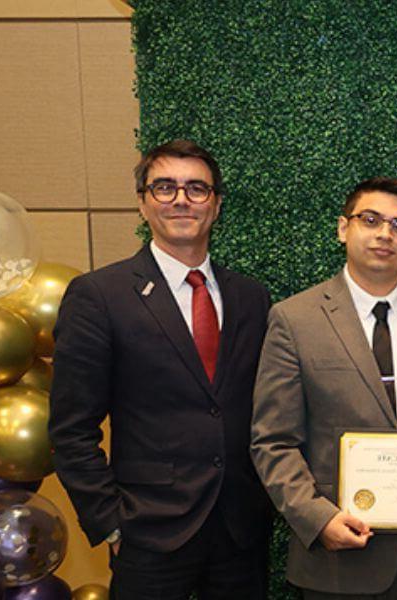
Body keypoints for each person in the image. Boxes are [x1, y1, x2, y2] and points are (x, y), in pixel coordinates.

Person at [49, 139, 275, 599]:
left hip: (240, 531)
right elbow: (72, 428)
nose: (181, 200)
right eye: (164, 187)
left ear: (216, 204)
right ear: (142, 202)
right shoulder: (99, 295)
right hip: (146, 532)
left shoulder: (251, 297)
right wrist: (109, 521)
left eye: (196, 189)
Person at [250, 177, 397, 599]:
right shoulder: (294, 320)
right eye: (371, 220)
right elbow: (273, 441)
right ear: (344, 228)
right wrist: (316, 518)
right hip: (338, 563)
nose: (385, 234)